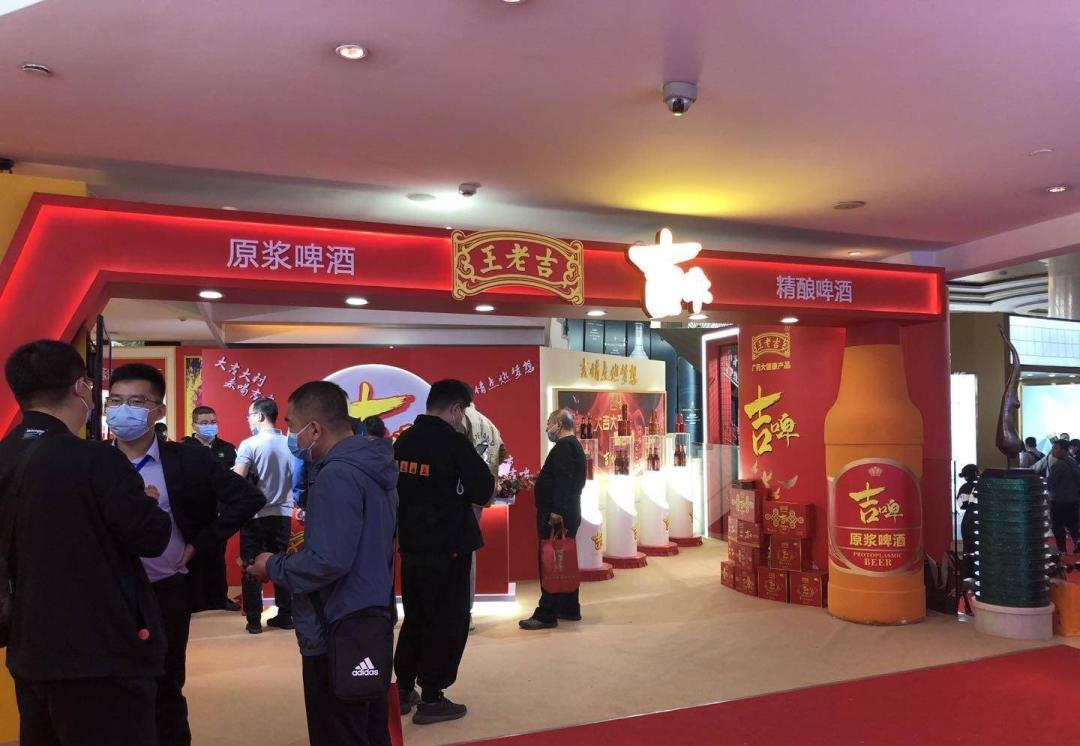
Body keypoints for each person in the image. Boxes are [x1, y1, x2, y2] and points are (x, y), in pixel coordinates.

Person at [1, 340, 171, 746]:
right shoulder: (96, 459)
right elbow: (151, 537)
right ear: (81, 387)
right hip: (100, 648)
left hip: (27, 644)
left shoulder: (6, 454)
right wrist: (148, 505)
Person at [108, 363, 265, 746]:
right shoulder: (91, 461)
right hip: (109, 592)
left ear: (158, 411)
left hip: (166, 588)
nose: (123, 410)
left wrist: (200, 542)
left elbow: (248, 498)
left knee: (166, 685)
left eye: (136, 402)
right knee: (113, 688)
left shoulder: (189, 460)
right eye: (116, 401)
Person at [247, 382, 398, 746]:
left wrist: (272, 566)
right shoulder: (374, 466)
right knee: (368, 726)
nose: (289, 433)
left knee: (339, 728)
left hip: (335, 623)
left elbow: (328, 561)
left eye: (291, 423)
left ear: (314, 428)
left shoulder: (336, 475)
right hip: (370, 613)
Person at [393, 379, 494, 725]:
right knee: (447, 621)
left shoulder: (404, 441)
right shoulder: (454, 443)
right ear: (455, 409)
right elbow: (483, 489)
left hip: (412, 549)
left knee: (415, 618)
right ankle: (432, 697)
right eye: (462, 412)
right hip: (448, 549)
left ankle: (403, 689)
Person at [520, 409, 587, 630]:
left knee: (551, 563)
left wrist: (556, 511)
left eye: (549, 423)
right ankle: (569, 608)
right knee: (563, 561)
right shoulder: (573, 446)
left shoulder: (564, 447)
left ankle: (546, 614)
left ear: (558, 424)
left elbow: (564, 482)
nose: (547, 427)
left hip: (557, 517)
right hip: (567, 513)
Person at [233, 397, 295, 634]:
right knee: (280, 563)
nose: (248, 420)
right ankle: (286, 615)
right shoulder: (290, 443)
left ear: (259, 416)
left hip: (255, 514)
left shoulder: (249, 444)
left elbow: (238, 479)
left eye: (250, 416)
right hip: (283, 514)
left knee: (251, 565)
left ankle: (253, 620)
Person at [182, 405, 241, 611]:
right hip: (191, 512)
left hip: (219, 512)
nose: (210, 426)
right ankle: (191, 600)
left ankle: (219, 597)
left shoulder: (227, 448)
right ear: (194, 425)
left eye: (213, 422)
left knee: (217, 557)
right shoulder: (184, 448)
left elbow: (235, 480)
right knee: (192, 555)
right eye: (205, 423)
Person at [460, 404, 505, 629]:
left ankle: (458, 612)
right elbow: (503, 452)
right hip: (481, 494)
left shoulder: (462, 419)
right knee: (469, 551)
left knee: (457, 553)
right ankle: (466, 612)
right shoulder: (489, 424)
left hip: (461, 495)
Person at [1047, 439, 1080, 554]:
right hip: (1073, 499)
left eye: (1055, 448)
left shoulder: (1058, 465)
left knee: (1058, 526)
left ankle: (1062, 550)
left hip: (1060, 500)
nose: (1053, 450)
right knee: (1073, 525)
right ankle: (1077, 544)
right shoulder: (1073, 461)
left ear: (1063, 450)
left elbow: (1050, 482)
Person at [955, 464, 978, 578]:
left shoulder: (963, 487)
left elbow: (961, 505)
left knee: (967, 551)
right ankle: (977, 576)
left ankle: (967, 576)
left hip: (966, 523)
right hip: (978, 522)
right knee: (978, 550)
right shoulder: (982, 486)